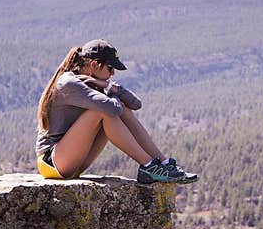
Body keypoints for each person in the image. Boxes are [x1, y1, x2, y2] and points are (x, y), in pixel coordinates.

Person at [36, 39, 198, 184]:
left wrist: (109, 86)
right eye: (110, 68)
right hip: (52, 161)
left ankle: (163, 164)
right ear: (93, 65)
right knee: (103, 111)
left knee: (119, 108)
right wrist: (107, 89)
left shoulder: (93, 82)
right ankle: (149, 166)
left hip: (72, 160)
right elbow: (112, 109)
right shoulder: (69, 83)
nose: (112, 74)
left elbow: (136, 104)